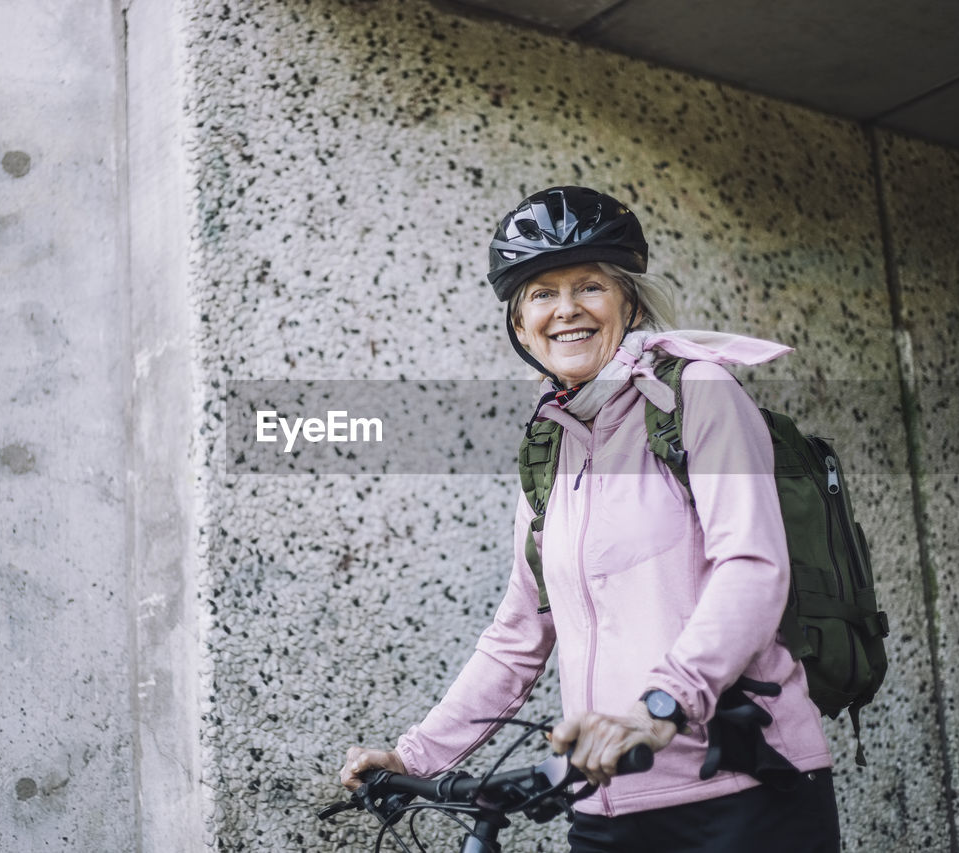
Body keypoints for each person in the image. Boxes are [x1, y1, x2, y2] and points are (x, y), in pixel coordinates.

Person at [340, 186, 840, 852]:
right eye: (541, 294)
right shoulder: (550, 448)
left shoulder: (697, 393)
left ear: (627, 302)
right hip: (604, 799)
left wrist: (660, 705)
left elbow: (752, 568)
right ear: (521, 327)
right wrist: (415, 756)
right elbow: (520, 631)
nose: (566, 309)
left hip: (742, 789)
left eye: (588, 286)